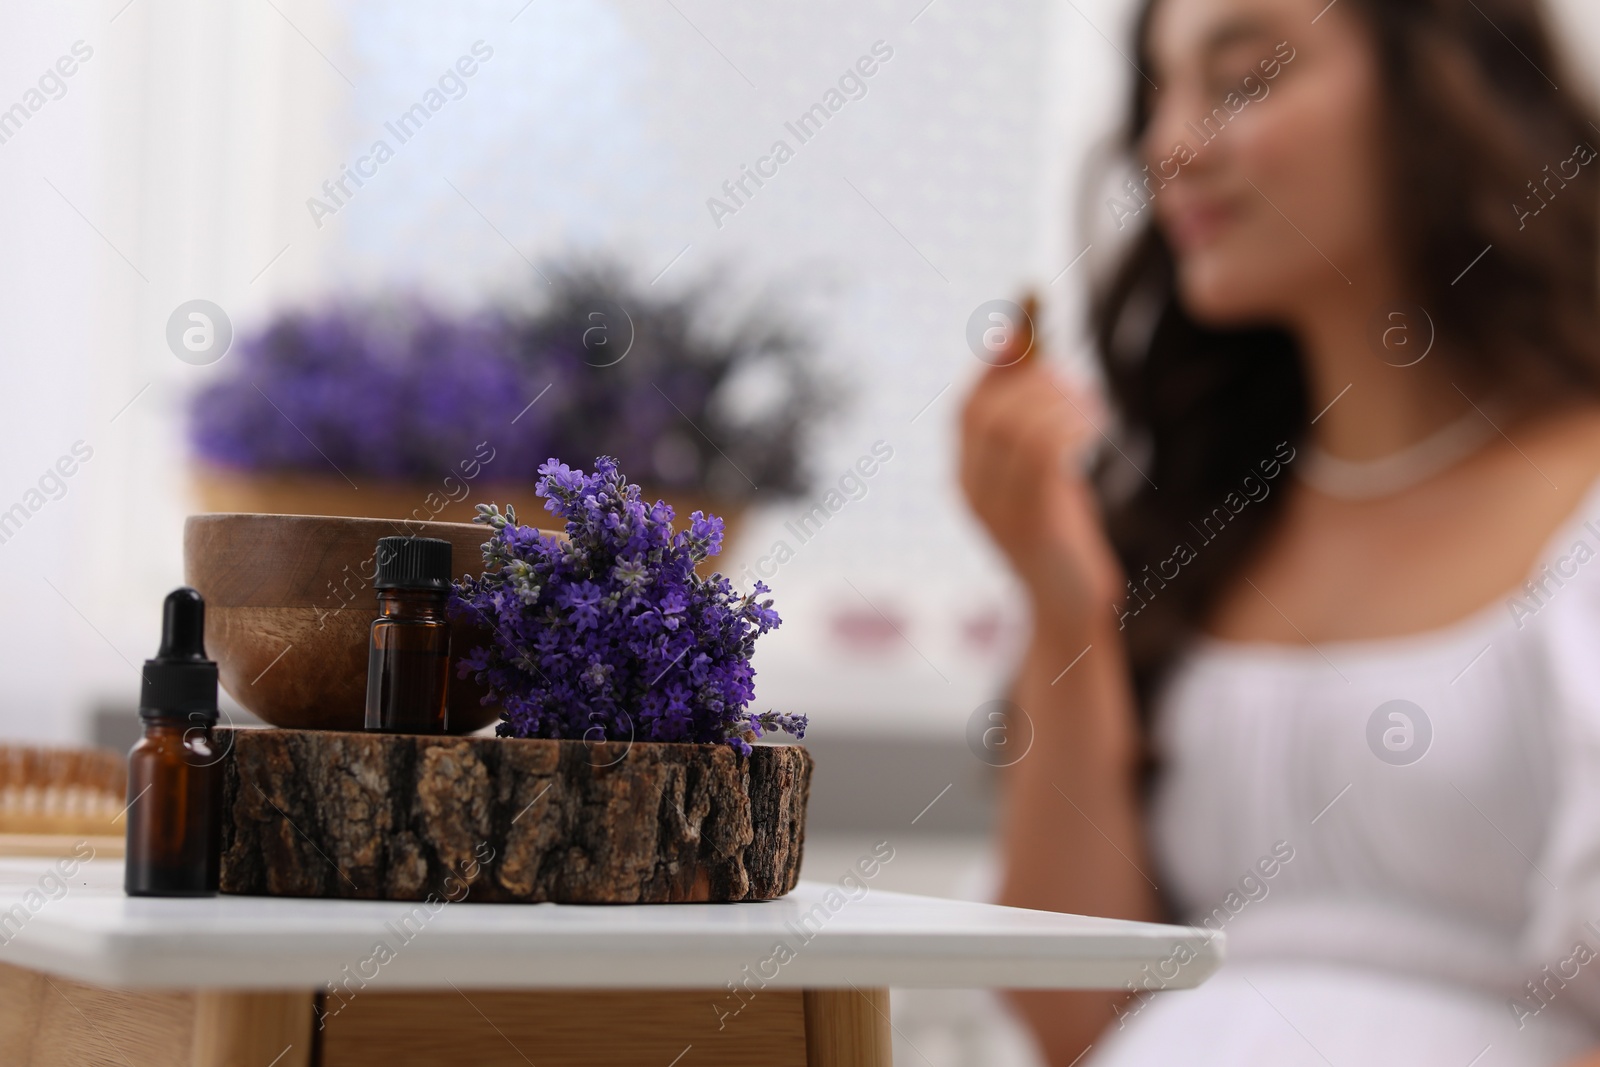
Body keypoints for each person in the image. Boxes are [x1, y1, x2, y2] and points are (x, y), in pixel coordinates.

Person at [960, 0, 1600, 1062]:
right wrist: (1063, 599)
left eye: (1244, 78)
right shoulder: (1187, 517)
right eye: (1157, 94)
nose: (1170, 146)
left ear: (1443, 88)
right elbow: (1066, 1009)